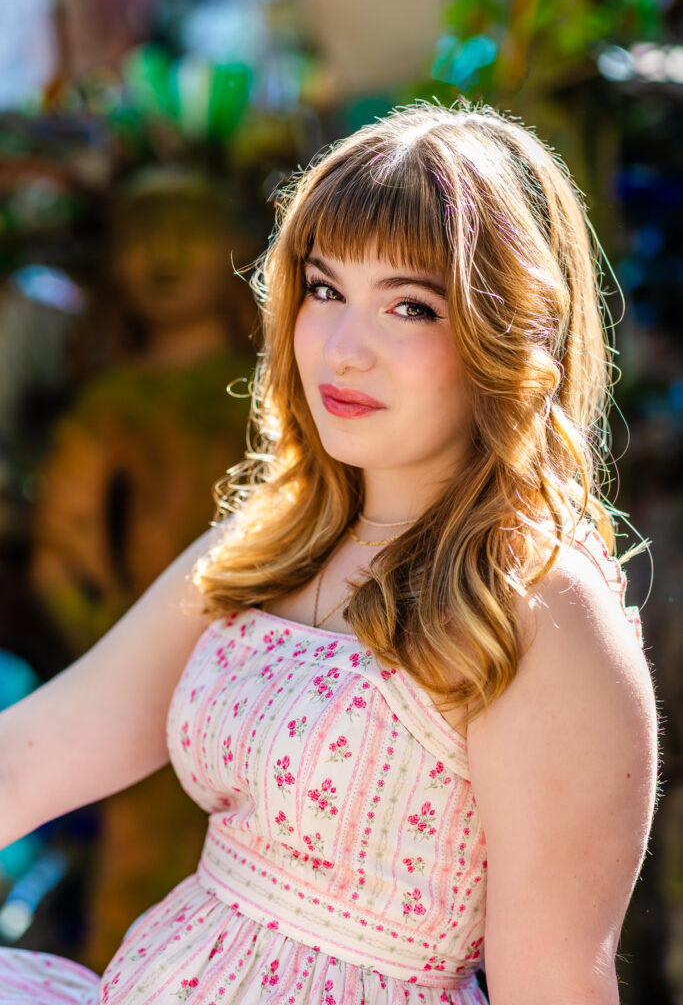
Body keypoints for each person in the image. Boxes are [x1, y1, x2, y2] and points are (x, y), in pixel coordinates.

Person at [0, 101, 657, 1005]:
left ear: (509, 333)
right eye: (323, 289)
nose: (344, 351)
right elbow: (27, 760)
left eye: (409, 306)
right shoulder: (273, 540)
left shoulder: (535, 604)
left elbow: (552, 982)